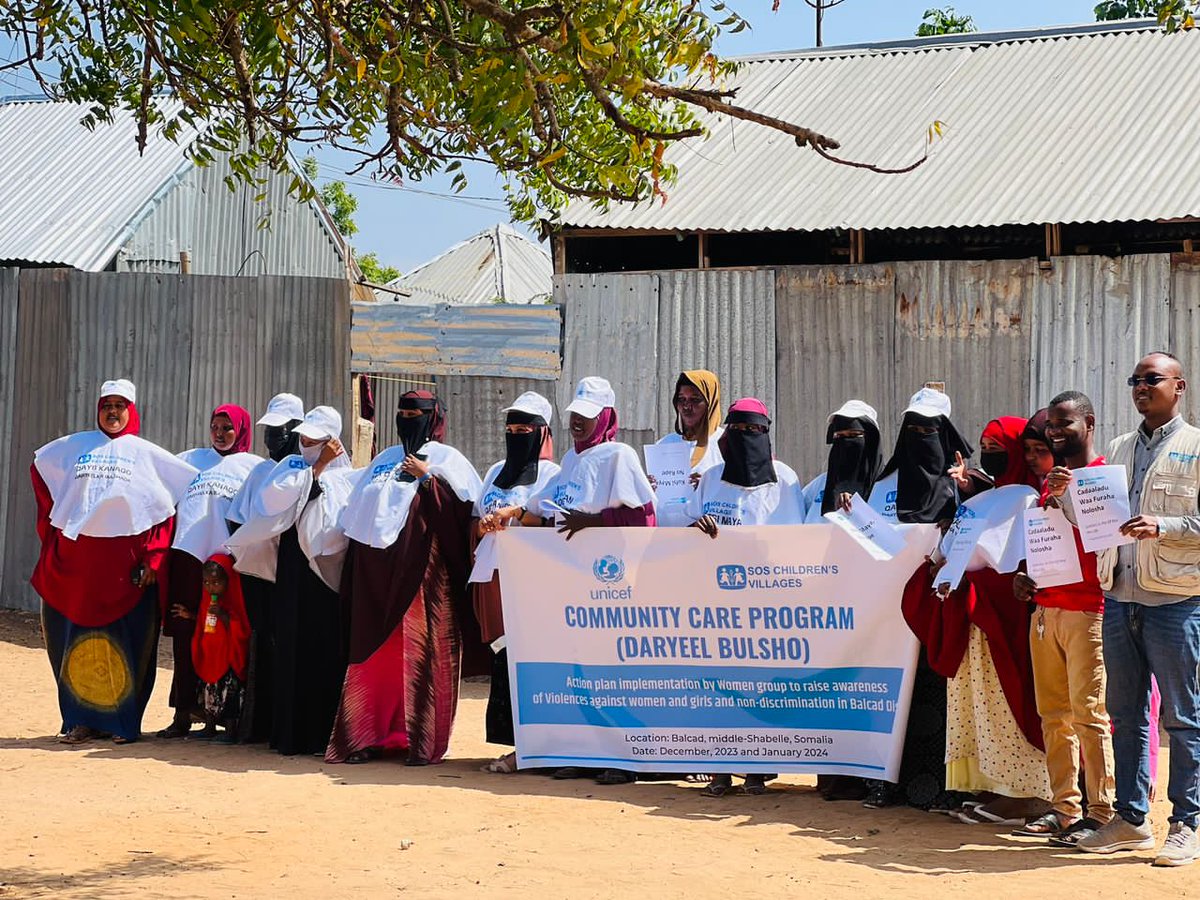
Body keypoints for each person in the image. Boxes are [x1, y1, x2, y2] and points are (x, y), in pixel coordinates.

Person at [1054, 352, 1200, 866]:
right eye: (1135, 380)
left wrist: (1166, 526)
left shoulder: (1196, 446)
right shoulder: (1117, 447)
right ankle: (1132, 820)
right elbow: (1101, 523)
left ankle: (1186, 823)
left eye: (1152, 379)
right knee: (1124, 713)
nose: (1141, 387)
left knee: (1182, 718)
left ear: (1178, 387)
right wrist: (1067, 498)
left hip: (1176, 601)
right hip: (1119, 598)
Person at [495, 376, 656, 784]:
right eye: (574, 416)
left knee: (614, 672)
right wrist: (514, 515)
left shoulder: (619, 456)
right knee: (580, 671)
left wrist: (595, 522)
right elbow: (547, 507)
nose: (578, 423)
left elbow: (643, 517)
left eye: (587, 416)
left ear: (606, 417)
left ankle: (623, 759)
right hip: (572, 582)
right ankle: (582, 751)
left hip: (610, 584)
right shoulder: (570, 461)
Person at [31, 379, 197, 744]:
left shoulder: (147, 455)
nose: (112, 412)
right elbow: (43, 480)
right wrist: (55, 539)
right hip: (79, 571)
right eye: (107, 404)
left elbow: (163, 514)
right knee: (77, 644)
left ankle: (122, 723)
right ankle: (79, 721)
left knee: (127, 644)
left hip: (126, 573)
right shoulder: (73, 448)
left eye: (120, 405)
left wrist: (153, 562)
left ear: (131, 411)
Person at [328, 391, 484, 765]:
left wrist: (429, 479)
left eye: (415, 412)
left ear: (434, 418)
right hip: (374, 577)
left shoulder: (449, 461)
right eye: (402, 411)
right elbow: (356, 509)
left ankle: (421, 740)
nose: (407, 417)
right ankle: (366, 736)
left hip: (423, 577)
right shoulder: (383, 460)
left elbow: (464, 514)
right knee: (374, 656)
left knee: (422, 655)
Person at [917, 412, 1050, 826]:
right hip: (973, 618)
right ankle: (992, 785)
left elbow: (1024, 563)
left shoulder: (1031, 501)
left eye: (1001, 449)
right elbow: (948, 552)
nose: (992, 455)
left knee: (1011, 701)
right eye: (986, 448)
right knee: (978, 704)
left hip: (1005, 618)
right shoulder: (977, 502)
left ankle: (1028, 794)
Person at [1011, 392, 1117, 845]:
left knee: (1089, 714)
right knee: (1052, 715)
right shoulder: (1047, 485)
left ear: (1088, 424)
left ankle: (1103, 811)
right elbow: (1045, 546)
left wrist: (1067, 494)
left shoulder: (1103, 478)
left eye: (1064, 423)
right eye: (1051, 425)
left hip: (1088, 612)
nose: (1055, 432)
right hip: (1046, 610)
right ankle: (1064, 808)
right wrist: (1025, 576)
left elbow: (1106, 541)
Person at [687, 398, 805, 796]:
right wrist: (697, 526)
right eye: (739, 431)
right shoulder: (711, 477)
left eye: (755, 431)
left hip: (765, 602)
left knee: (761, 686)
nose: (747, 438)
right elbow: (689, 526)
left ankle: (758, 768)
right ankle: (719, 769)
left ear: (767, 432)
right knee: (719, 685)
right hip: (716, 600)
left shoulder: (784, 478)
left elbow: (793, 538)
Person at [867, 386, 973, 810]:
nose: (920, 436)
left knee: (943, 700)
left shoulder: (967, 484)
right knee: (896, 700)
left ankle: (947, 790)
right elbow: (866, 539)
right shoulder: (883, 485)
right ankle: (890, 783)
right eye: (912, 428)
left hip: (943, 611)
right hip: (890, 611)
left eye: (930, 429)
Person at [227, 405, 350, 756]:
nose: (307, 444)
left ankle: (322, 734)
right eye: (305, 439)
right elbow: (276, 502)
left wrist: (325, 472)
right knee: (291, 651)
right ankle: (290, 735)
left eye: (316, 440)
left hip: (326, 579)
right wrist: (317, 466)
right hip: (293, 570)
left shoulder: (346, 478)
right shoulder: (291, 466)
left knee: (324, 653)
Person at [468, 392, 560, 775]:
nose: (515, 434)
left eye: (524, 429)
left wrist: (517, 516)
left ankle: (537, 746)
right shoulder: (493, 471)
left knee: (530, 658)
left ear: (541, 433)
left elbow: (557, 523)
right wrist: (484, 525)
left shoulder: (553, 476)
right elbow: (474, 520)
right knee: (503, 657)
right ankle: (515, 744)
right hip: (490, 575)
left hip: (530, 579)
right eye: (510, 428)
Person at [159, 404, 259, 740]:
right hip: (189, 559)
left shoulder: (253, 467)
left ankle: (229, 716)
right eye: (214, 426)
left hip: (228, 565)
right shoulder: (189, 459)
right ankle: (183, 713)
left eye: (227, 428)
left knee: (226, 635)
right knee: (188, 636)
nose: (219, 433)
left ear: (241, 430)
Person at [224, 392, 304, 743]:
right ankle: (256, 724)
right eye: (268, 431)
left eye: (280, 430)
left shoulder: (304, 469)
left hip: (293, 575)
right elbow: (235, 516)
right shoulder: (259, 470)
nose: (272, 438)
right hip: (258, 573)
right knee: (262, 643)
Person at [190, 554, 251, 743]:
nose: (211, 587)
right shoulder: (206, 600)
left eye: (216, 582)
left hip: (227, 656)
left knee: (229, 694)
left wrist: (224, 616)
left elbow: (242, 629)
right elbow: (202, 622)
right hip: (210, 653)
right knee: (208, 692)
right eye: (206, 582)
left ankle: (231, 729)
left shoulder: (233, 601)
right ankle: (209, 726)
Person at [650, 370, 723, 526]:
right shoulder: (664, 445)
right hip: (665, 539)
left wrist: (710, 485)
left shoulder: (724, 444)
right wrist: (648, 487)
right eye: (681, 399)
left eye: (695, 400)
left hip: (707, 538)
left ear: (710, 403)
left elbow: (739, 494)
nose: (686, 406)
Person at [802, 400, 888, 523]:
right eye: (839, 437)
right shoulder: (817, 487)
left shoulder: (889, 486)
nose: (846, 443)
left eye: (853, 435)